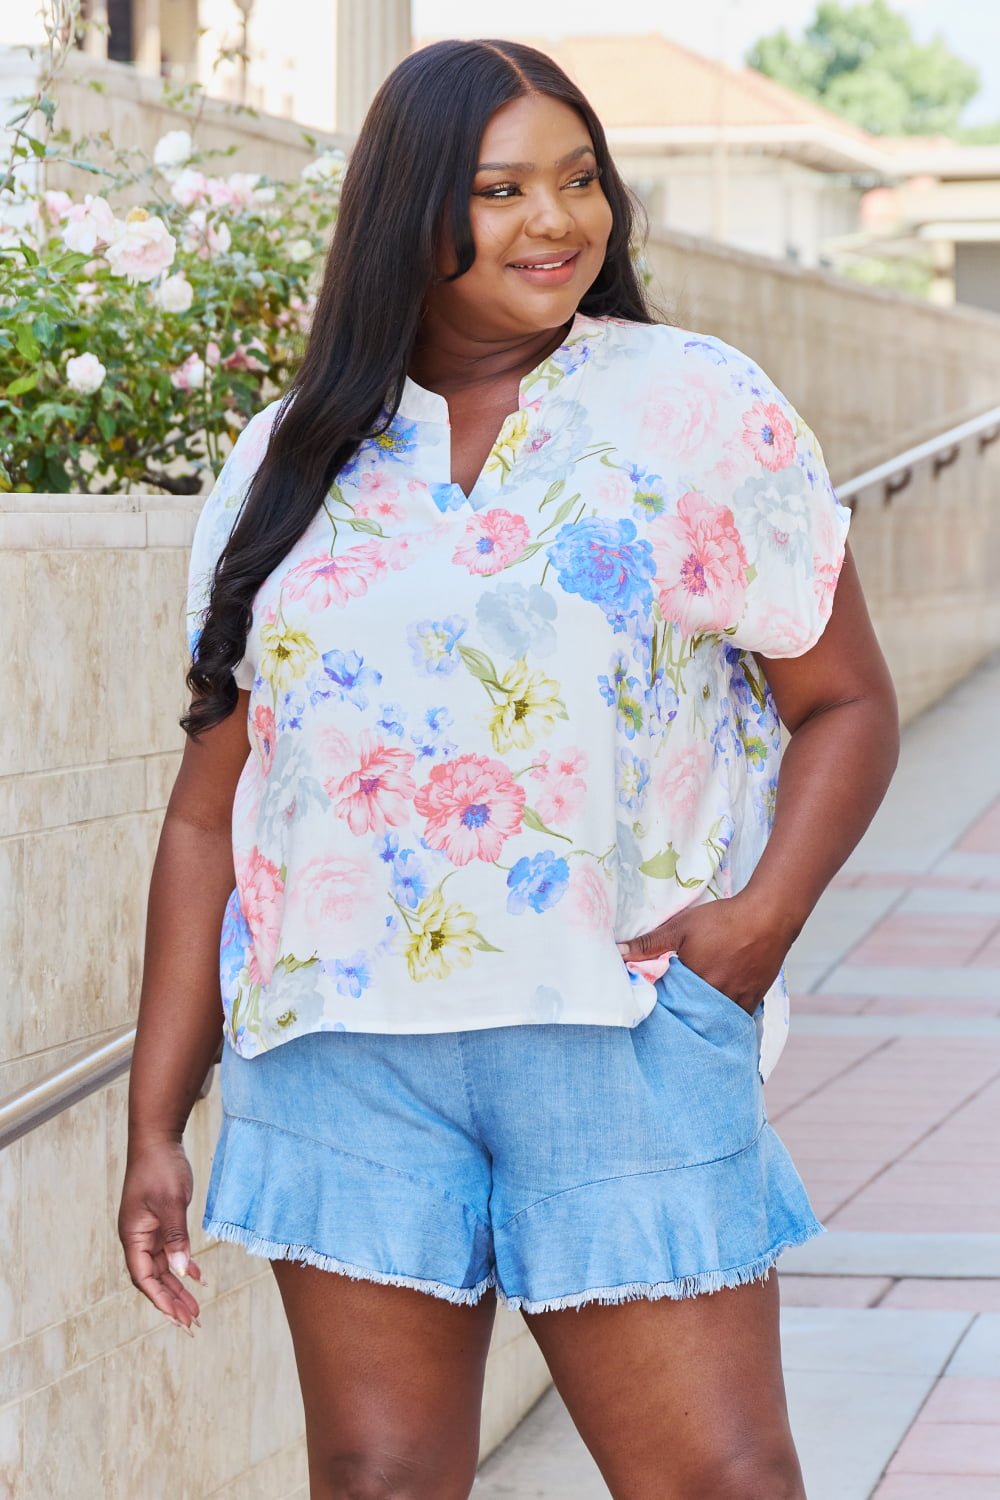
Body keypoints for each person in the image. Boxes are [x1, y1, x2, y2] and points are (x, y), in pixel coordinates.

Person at [118, 37, 899, 1500]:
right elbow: (206, 817)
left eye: (579, 178)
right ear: (410, 214)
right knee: (377, 1483)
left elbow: (847, 698)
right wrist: (156, 1116)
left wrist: (756, 930)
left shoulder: (690, 407)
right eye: (500, 189)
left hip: (618, 1032)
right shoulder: (286, 462)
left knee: (720, 1482)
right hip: (341, 1057)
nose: (558, 221)